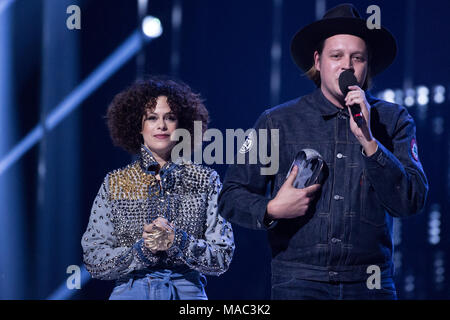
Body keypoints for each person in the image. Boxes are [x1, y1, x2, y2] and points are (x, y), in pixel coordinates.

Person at [218, 3, 428, 300]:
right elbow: (230, 196)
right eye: (336, 56)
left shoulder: (393, 120)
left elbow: (412, 200)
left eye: (357, 58)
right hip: (299, 281)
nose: (347, 66)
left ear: (367, 65)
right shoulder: (277, 121)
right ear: (318, 61)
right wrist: (272, 209)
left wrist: (370, 141)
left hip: (370, 284)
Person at [82, 76, 235, 300]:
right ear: (138, 126)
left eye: (170, 117)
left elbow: (222, 256)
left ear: (182, 125)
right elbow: (94, 258)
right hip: (131, 291)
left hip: (186, 292)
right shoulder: (115, 182)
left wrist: (178, 241)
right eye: (152, 118)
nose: (161, 125)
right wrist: (143, 250)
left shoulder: (205, 180)